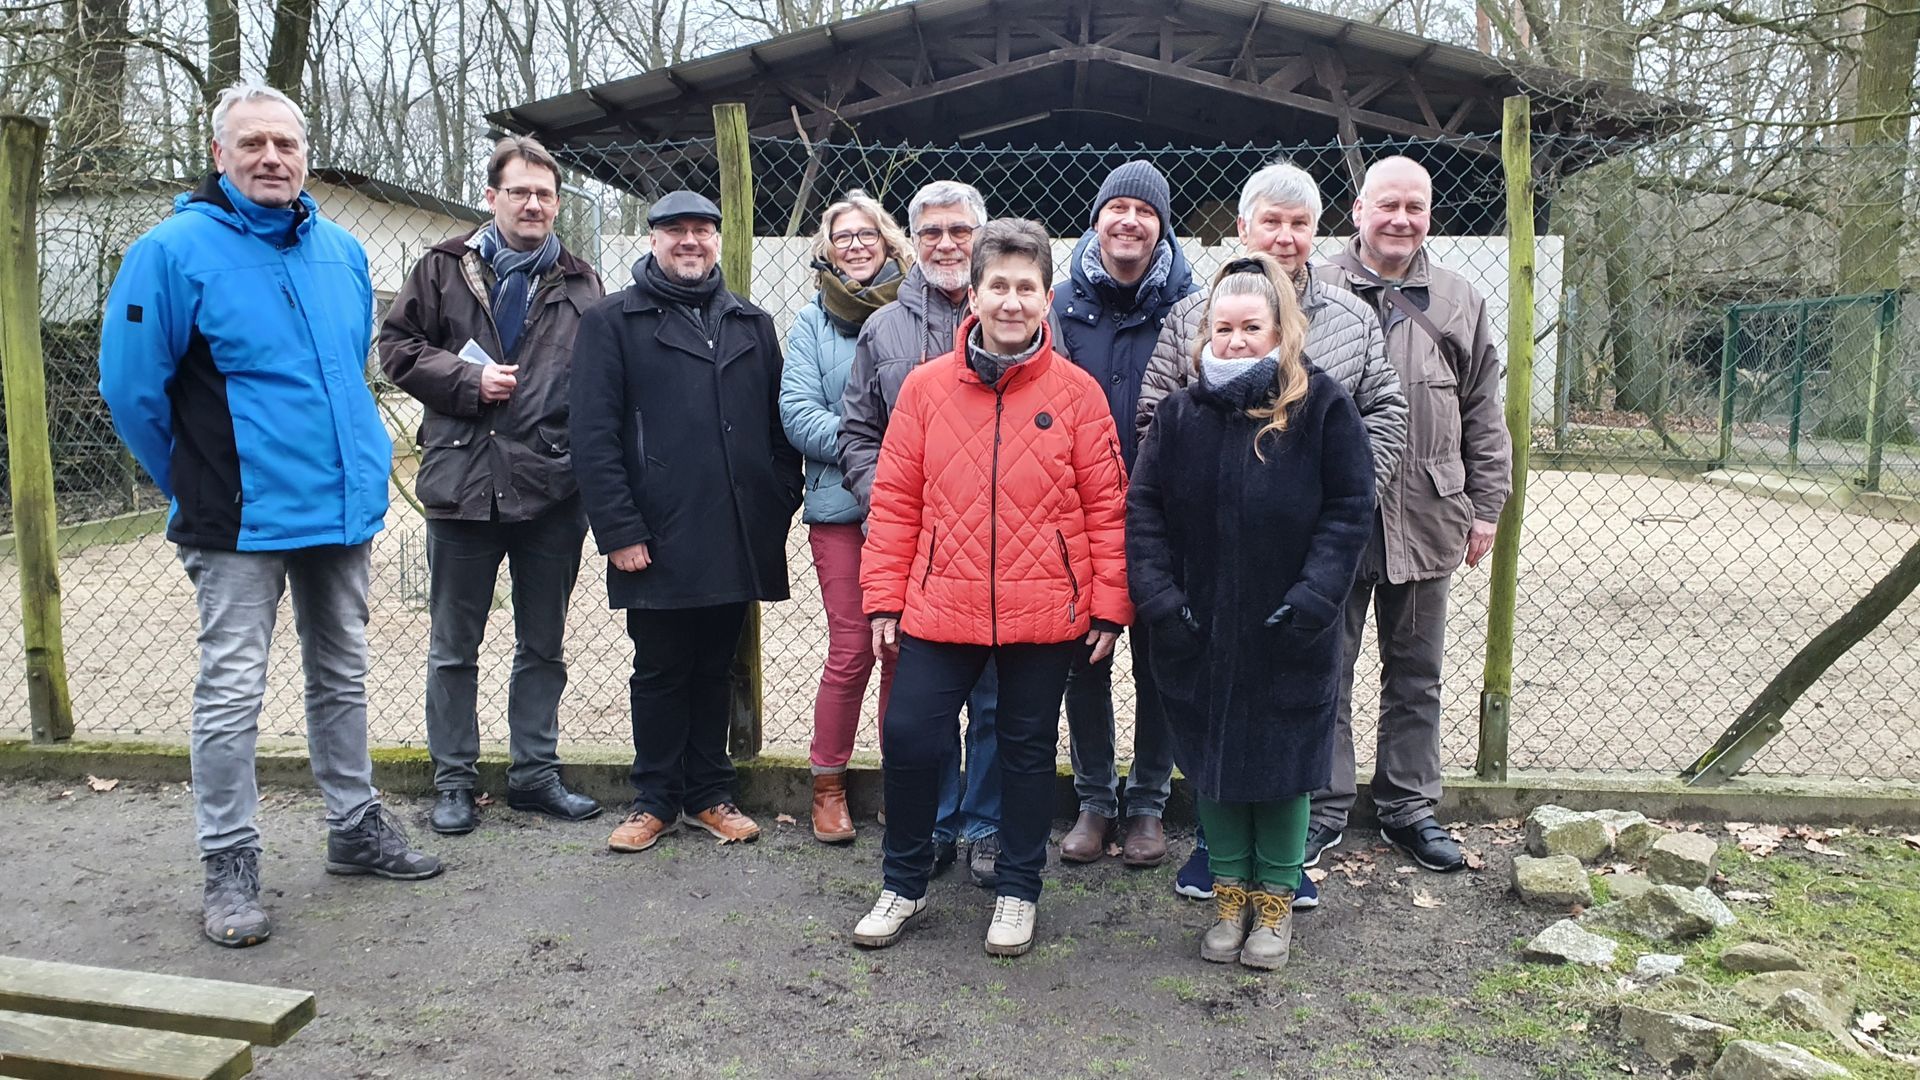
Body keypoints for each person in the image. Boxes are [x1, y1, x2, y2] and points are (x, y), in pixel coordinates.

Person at [97, 81, 441, 949]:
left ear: (305, 155)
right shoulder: (170, 252)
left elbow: (345, 372)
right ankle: (229, 861)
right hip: (238, 517)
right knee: (231, 691)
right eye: (251, 143)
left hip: (338, 506)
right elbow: (130, 388)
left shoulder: (341, 252)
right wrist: (193, 481)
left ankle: (354, 825)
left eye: (285, 143)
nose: (271, 158)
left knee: (342, 674)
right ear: (219, 155)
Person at [850, 220, 1130, 958]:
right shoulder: (924, 390)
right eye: (997, 285)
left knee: (1026, 749)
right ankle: (905, 880)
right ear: (973, 296)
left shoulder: (1079, 395)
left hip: (1045, 610)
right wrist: (883, 598)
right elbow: (896, 501)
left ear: (1047, 299)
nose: (1011, 301)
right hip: (940, 602)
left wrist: (1108, 606)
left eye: (1026, 287)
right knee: (910, 736)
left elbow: (1107, 506)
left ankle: (1018, 888)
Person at [1140, 158, 1409, 901]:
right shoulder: (1188, 326)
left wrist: (1335, 494)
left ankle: (1283, 879)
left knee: (1296, 727)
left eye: (1300, 224)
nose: (1285, 236)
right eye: (1272, 221)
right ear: (1244, 227)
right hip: (1205, 582)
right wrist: (1166, 580)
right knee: (1213, 734)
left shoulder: (1347, 330)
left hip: (1299, 574)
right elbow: (1153, 450)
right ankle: (1223, 869)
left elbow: (1378, 426)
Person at [1127, 254, 1376, 969]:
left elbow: (1349, 508)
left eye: (1251, 327)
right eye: (1223, 327)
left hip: (1289, 628)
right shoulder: (1180, 415)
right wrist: (1160, 600)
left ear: (1280, 330)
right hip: (1198, 626)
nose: (1235, 340)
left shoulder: (1321, 408)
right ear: (1206, 331)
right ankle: (1228, 895)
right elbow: (1144, 510)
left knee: (1284, 767)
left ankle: (1275, 900)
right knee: (1213, 765)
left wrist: (1314, 598)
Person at [378, 136, 604, 835]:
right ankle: (453, 780)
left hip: (550, 489)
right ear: (491, 197)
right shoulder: (443, 268)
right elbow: (396, 349)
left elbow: (602, 383)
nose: (533, 203)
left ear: (557, 203)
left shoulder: (582, 283)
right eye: (519, 191)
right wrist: (467, 379)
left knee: (543, 646)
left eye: (544, 194)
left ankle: (534, 775)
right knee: (454, 647)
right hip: (462, 483)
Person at [569, 190, 803, 854]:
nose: (690, 241)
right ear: (653, 240)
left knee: (715, 666)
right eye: (676, 230)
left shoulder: (750, 322)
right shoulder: (612, 321)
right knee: (660, 669)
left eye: (702, 229)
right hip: (656, 532)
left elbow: (776, 424)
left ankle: (708, 794)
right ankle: (654, 800)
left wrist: (775, 498)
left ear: (717, 239)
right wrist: (620, 529)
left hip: (733, 528)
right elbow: (592, 435)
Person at [1309, 155, 1513, 873]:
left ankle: (1408, 807)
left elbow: (1483, 409)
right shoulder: (1315, 288)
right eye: (1387, 205)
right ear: (1358, 209)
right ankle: (1322, 805)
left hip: (1429, 511)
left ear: (1429, 215)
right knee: (1326, 669)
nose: (1401, 220)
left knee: (1417, 673)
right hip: (1334, 518)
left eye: (1415, 208)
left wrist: (1485, 505)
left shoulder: (1459, 299)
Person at [837, 181, 1004, 885]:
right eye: (931, 231)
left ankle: (987, 826)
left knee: (994, 698)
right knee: (925, 701)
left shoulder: (1011, 314)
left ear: (980, 236)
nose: (945, 244)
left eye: (959, 230)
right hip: (920, 551)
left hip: (998, 547)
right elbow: (857, 433)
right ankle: (934, 824)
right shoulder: (883, 329)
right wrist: (893, 502)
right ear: (913, 240)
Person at [1052, 160, 1196, 869]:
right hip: (1079, 514)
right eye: (1118, 208)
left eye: (1145, 211)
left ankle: (1147, 804)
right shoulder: (1059, 304)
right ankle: (1094, 800)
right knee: (1085, 660)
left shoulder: (1192, 306)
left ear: (1161, 226)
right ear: (1097, 219)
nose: (1130, 221)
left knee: (1161, 659)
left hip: (1167, 513)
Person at [779, 189, 913, 843]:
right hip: (839, 506)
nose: (856, 245)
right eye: (843, 237)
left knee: (902, 650)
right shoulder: (812, 322)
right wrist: (878, 451)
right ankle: (827, 785)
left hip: (913, 510)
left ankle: (901, 784)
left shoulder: (918, 312)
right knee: (854, 645)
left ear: (888, 241)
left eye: (867, 234)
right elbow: (797, 413)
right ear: (827, 250)